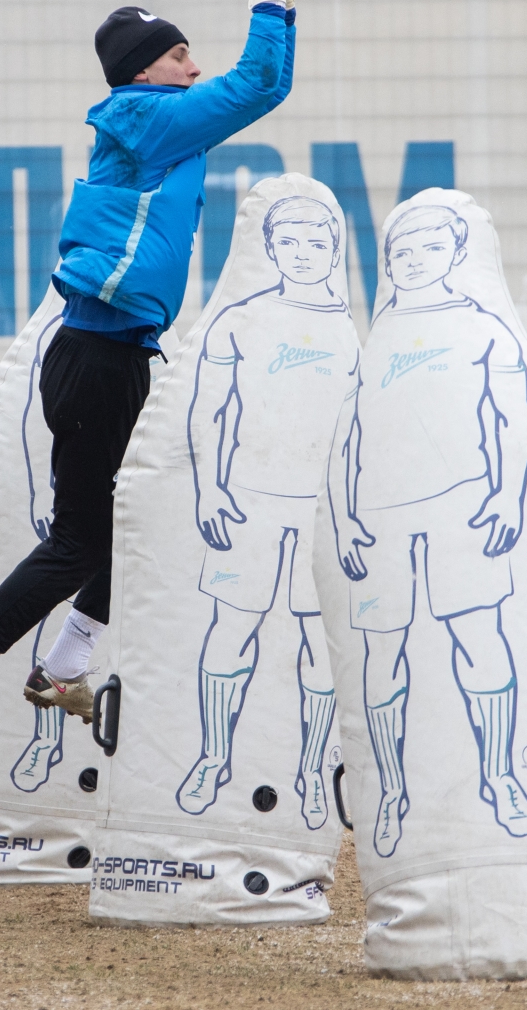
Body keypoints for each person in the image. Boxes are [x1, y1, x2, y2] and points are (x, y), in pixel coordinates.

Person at [0, 0, 305, 768]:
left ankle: (62, 665)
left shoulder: (156, 123)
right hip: (99, 359)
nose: (192, 67)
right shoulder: (146, 116)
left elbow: (251, 84)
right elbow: (261, 84)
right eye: (177, 56)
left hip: (107, 356)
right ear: (142, 72)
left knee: (135, 519)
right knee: (84, 540)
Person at [326, 203, 527, 857]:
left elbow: (515, 418)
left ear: (455, 253)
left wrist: (507, 494)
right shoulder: (374, 340)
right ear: (389, 263)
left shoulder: (484, 330)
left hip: (463, 511)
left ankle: (500, 777)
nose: (415, 259)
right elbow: (345, 443)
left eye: (428, 247)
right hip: (383, 520)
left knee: (479, 637)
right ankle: (390, 791)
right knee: (382, 651)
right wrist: (344, 520)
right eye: (403, 252)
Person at [176, 196, 356, 828]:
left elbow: (356, 433)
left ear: (333, 252)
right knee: (231, 628)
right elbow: (209, 409)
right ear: (271, 249)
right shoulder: (239, 320)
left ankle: (312, 771)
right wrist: (210, 487)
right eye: (290, 243)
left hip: (316, 511)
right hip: (248, 503)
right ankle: (211, 757)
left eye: (316, 244)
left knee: (317, 640)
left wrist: (350, 512)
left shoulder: (347, 330)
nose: (303, 255)